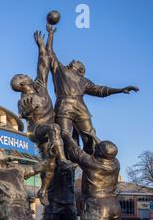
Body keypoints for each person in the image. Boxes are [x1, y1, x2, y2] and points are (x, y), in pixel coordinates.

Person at [46, 24, 139, 155]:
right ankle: (65, 166)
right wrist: (51, 34)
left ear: (81, 70)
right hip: (64, 107)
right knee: (64, 137)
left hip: (81, 109)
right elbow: (50, 54)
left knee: (90, 140)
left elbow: (100, 90)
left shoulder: (84, 81)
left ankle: (91, 165)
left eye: (78, 62)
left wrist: (120, 89)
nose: (75, 60)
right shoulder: (60, 70)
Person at [11, 31, 74, 206]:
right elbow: (24, 115)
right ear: (22, 84)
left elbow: (43, 64)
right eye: (23, 76)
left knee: (50, 162)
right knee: (54, 128)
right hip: (36, 131)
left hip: (48, 131)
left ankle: (43, 190)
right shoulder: (22, 100)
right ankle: (63, 161)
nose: (26, 74)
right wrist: (30, 109)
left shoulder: (40, 86)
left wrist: (42, 45)